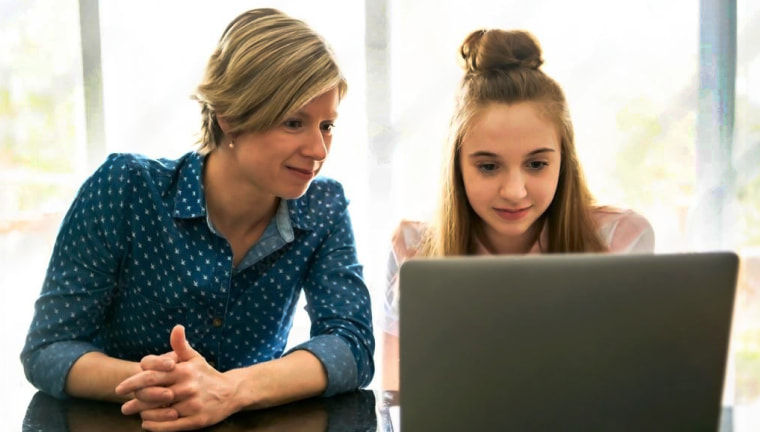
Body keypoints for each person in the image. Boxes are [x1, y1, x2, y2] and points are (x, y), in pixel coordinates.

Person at [21, 8, 374, 431]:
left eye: (328, 125)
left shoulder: (324, 206)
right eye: (294, 122)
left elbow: (352, 346)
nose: (318, 149)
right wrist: (165, 385)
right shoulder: (125, 187)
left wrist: (229, 390)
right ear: (230, 116)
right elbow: (49, 348)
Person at [381, 28, 654, 390]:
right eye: (489, 166)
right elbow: (394, 395)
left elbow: (634, 383)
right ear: (457, 166)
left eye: (537, 164)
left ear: (564, 161)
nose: (514, 191)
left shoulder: (620, 239)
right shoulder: (412, 246)